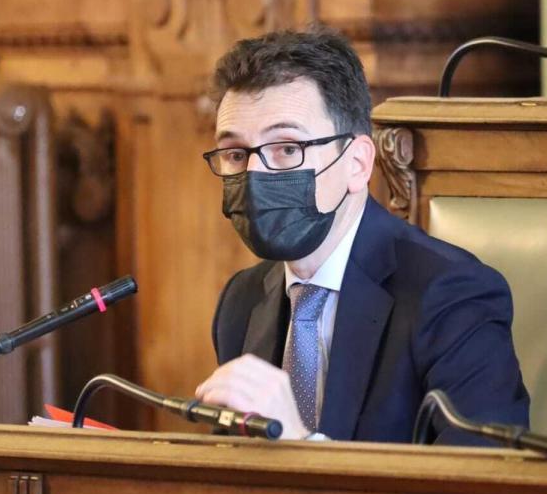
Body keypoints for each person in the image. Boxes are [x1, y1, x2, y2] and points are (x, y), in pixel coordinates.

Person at [195, 28, 529, 444]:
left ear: (357, 162)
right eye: (236, 154)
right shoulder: (240, 302)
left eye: (286, 149)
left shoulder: (453, 296)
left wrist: (299, 446)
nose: (255, 174)